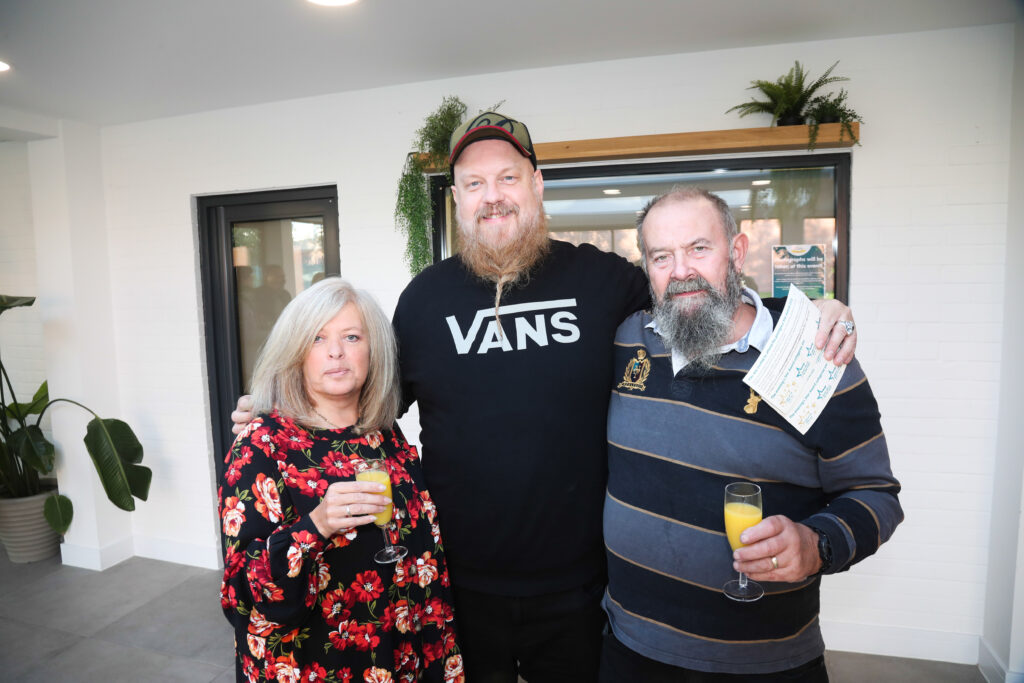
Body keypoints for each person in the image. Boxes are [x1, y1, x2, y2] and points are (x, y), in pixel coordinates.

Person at [234, 112, 859, 682]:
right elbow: (366, 406)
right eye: (474, 185)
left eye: (508, 177)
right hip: (458, 582)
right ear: (457, 200)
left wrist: (801, 313)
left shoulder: (602, 279)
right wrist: (281, 410)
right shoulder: (424, 300)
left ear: (537, 185)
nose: (492, 196)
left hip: (581, 587)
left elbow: (693, 288)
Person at [599, 187, 902, 682]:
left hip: (764, 662)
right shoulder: (627, 340)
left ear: (736, 253)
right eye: (662, 256)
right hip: (630, 649)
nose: (681, 271)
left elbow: (876, 494)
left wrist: (815, 543)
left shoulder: (815, 355)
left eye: (699, 249)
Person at [219, 277, 462, 683]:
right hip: (319, 666)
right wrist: (317, 525)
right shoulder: (262, 443)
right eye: (317, 338)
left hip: (402, 655)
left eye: (351, 337)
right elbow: (242, 596)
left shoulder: (384, 433)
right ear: (295, 353)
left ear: (373, 351)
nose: (336, 352)